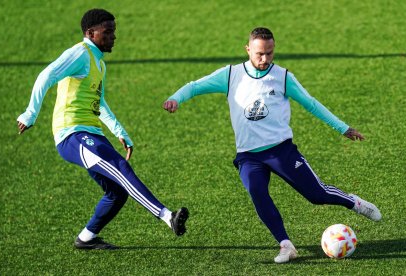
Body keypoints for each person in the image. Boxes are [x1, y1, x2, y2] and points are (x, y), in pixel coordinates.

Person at [163, 27, 381, 263]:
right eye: (259, 54)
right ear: (248, 50)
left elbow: (311, 104)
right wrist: (176, 98)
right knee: (257, 192)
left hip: (281, 151)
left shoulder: (283, 77)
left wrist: (343, 128)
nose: (265, 59)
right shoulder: (230, 75)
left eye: (270, 53)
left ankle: (354, 202)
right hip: (248, 156)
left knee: (316, 195)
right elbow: (195, 86)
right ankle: (286, 245)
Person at [17, 8, 189, 250]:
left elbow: (100, 101)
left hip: (91, 133)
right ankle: (167, 216)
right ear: (91, 33)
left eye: (114, 32)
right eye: (108, 32)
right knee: (121, 167)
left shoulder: (98, 62)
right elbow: (46, 75)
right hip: (72, 135)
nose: (113, 37)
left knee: (117, 193)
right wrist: (30, 113)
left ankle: (86, 238)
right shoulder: (80, 53)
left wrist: (120, 131)